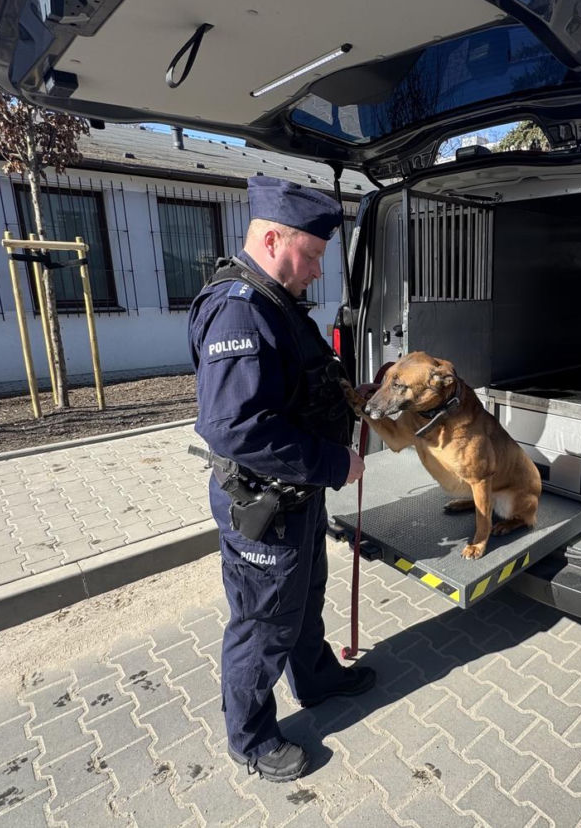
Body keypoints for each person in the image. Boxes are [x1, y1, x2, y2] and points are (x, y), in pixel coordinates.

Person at [188, 176, 372, 783]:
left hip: (297, 496)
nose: (318, 270)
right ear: (272, 240)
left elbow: (299, 388)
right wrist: (334, 464)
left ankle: (314, 678)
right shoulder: (240, 310)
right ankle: (250, 736)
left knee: (304, 593)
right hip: (265, 504)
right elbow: (236, 428)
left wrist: (352, 399)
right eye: (312, 254)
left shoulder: (277, 301)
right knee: (263, 621)